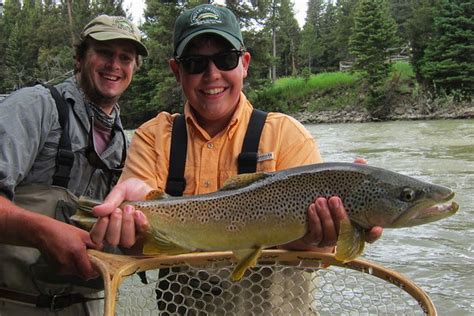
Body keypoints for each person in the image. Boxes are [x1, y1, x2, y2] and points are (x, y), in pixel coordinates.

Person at [89, 4, 383, 313]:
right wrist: (128, 228)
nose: (212, 74)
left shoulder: (286, 136)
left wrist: (316, 240)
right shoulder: (153, 137)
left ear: (244, 64)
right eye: (195, 63)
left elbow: (318, 256)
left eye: (225, 60)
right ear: (177, 71)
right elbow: (138, 246)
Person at [0, 15, 148, 315]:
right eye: (104, 53)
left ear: (134, 68)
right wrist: (40, 231)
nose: (114, 65)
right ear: (80, 58)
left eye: (125, 57)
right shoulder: (33, 107)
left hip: (87, 307)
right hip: (14, 303)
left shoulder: (125, 145)